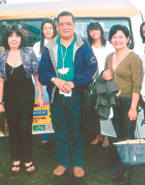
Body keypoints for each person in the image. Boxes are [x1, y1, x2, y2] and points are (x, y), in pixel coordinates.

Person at [38, 11, 97, 178]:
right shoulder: (50, 47)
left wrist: (74, 82)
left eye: (68, 24)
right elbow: (42, 72)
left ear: (74, 25)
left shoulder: (83, 44)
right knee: (60, 130)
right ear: (57, 26)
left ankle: (77, 163)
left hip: (77, 94)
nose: (65, 27)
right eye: (61, 24)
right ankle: (62, 162)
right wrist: (54, 80)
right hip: (57, 95)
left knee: (76, 130)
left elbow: (92, 68)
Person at [0, 24, 44, 173]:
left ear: (21, 38)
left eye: (17, 36)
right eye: (11, 36)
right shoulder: (2, 55)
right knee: (13, 128)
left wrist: (40, 95)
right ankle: (16, 159)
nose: (14, 39)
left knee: (25, 127)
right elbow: (1, 81)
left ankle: (28, 159)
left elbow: (36, 75)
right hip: (10, 96)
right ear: (7, 39)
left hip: (26, 95)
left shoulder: (29, 53)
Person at [103, 25, 143, 184]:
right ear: (111, 39)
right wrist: (104, 76)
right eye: (114, 37)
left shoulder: (134, 58)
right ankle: (121, 167)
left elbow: (137, 85)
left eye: (121, 37)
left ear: (127, 39)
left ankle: (127, 171)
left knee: (128, 137)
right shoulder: (108, 57)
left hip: (128, 102)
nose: (117, 40)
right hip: (113, 102)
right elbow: (106, 78)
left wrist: (133, 108)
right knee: (118, 136)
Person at [87, 22, 114, 147]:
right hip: (92, 82)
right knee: (94, 109)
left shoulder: (108, 46)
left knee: (105, 109)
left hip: (106, 80)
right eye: (91, 30)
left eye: (96, 30)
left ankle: (106, 136)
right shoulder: (88, 47)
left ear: (101, 31)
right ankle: (97, 135)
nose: (94, 32)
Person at [33, 18, 57, 144]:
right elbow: (36, 70)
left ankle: (57, 133)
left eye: (50, 28)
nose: (48, 31)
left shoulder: (59, 42)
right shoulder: (37, 46)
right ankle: (45, 135)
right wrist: (40, 90)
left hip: (58, 82)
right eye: (45, 28)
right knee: (43, 107)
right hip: (42, 82)